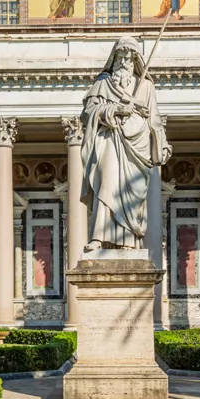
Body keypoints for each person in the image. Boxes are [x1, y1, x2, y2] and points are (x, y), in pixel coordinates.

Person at [79, 36, 170, 251]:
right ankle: (99, 237)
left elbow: (155, 120)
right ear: (114, 58)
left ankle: (128, 240)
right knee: (107, 183)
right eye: (120, 57)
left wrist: (162, 145)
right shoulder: (103, 83)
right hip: (111, 140)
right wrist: (117, 110)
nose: (124, 62)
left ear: (135, 61)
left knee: (132, 192)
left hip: (137, 145)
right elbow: (89, 112)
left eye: (129, 58)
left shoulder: (145, 86)